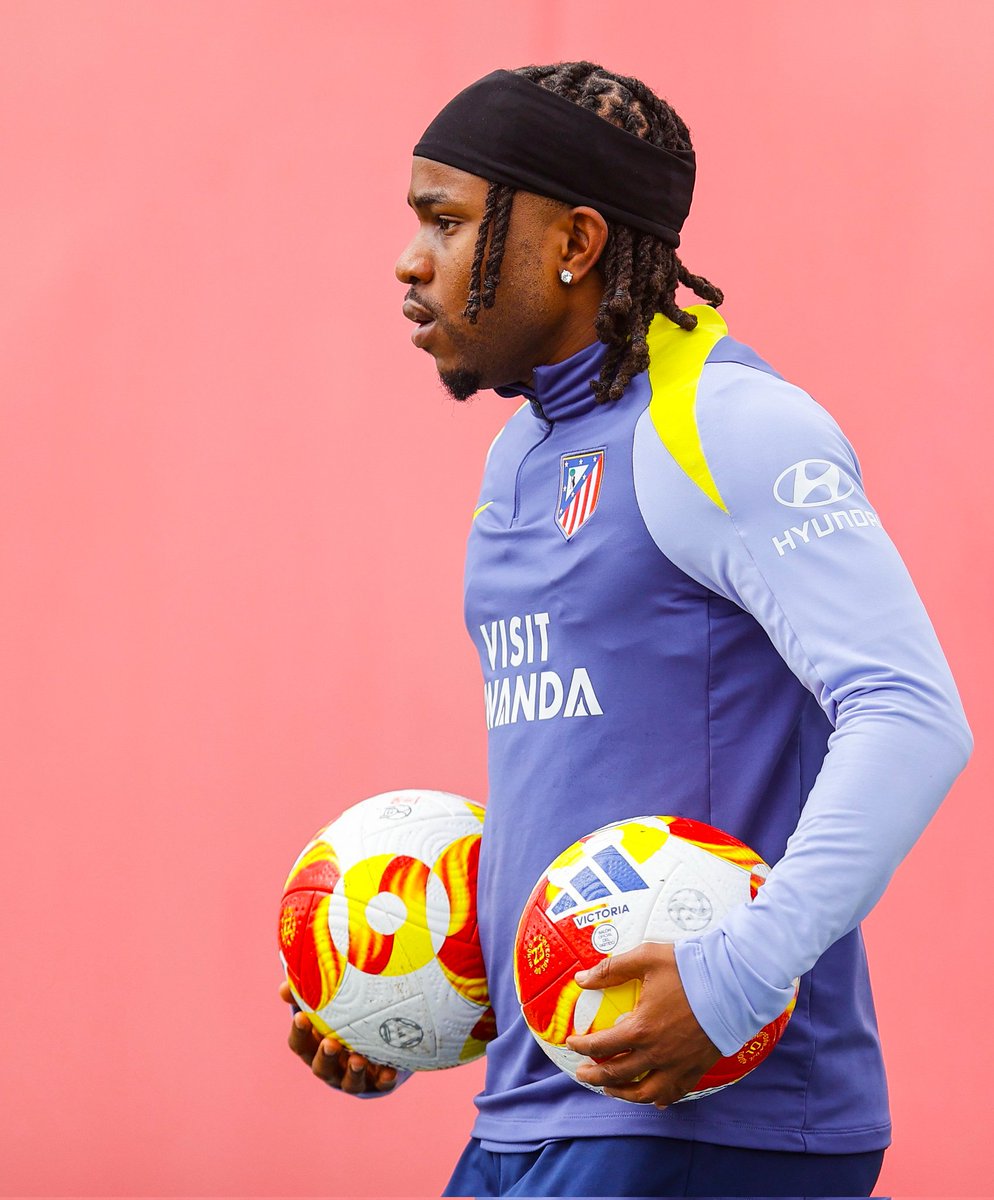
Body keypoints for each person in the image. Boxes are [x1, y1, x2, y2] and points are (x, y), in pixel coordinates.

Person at [282, 62, 973, 1197]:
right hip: (533, 1110)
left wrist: (738, 976)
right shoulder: (519, 457)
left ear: (575, 242)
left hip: (712, 1127)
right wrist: (405, 996)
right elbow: (587, 773)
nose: (411, 261)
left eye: (446, 222)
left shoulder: (729, 426)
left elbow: (910, 715)